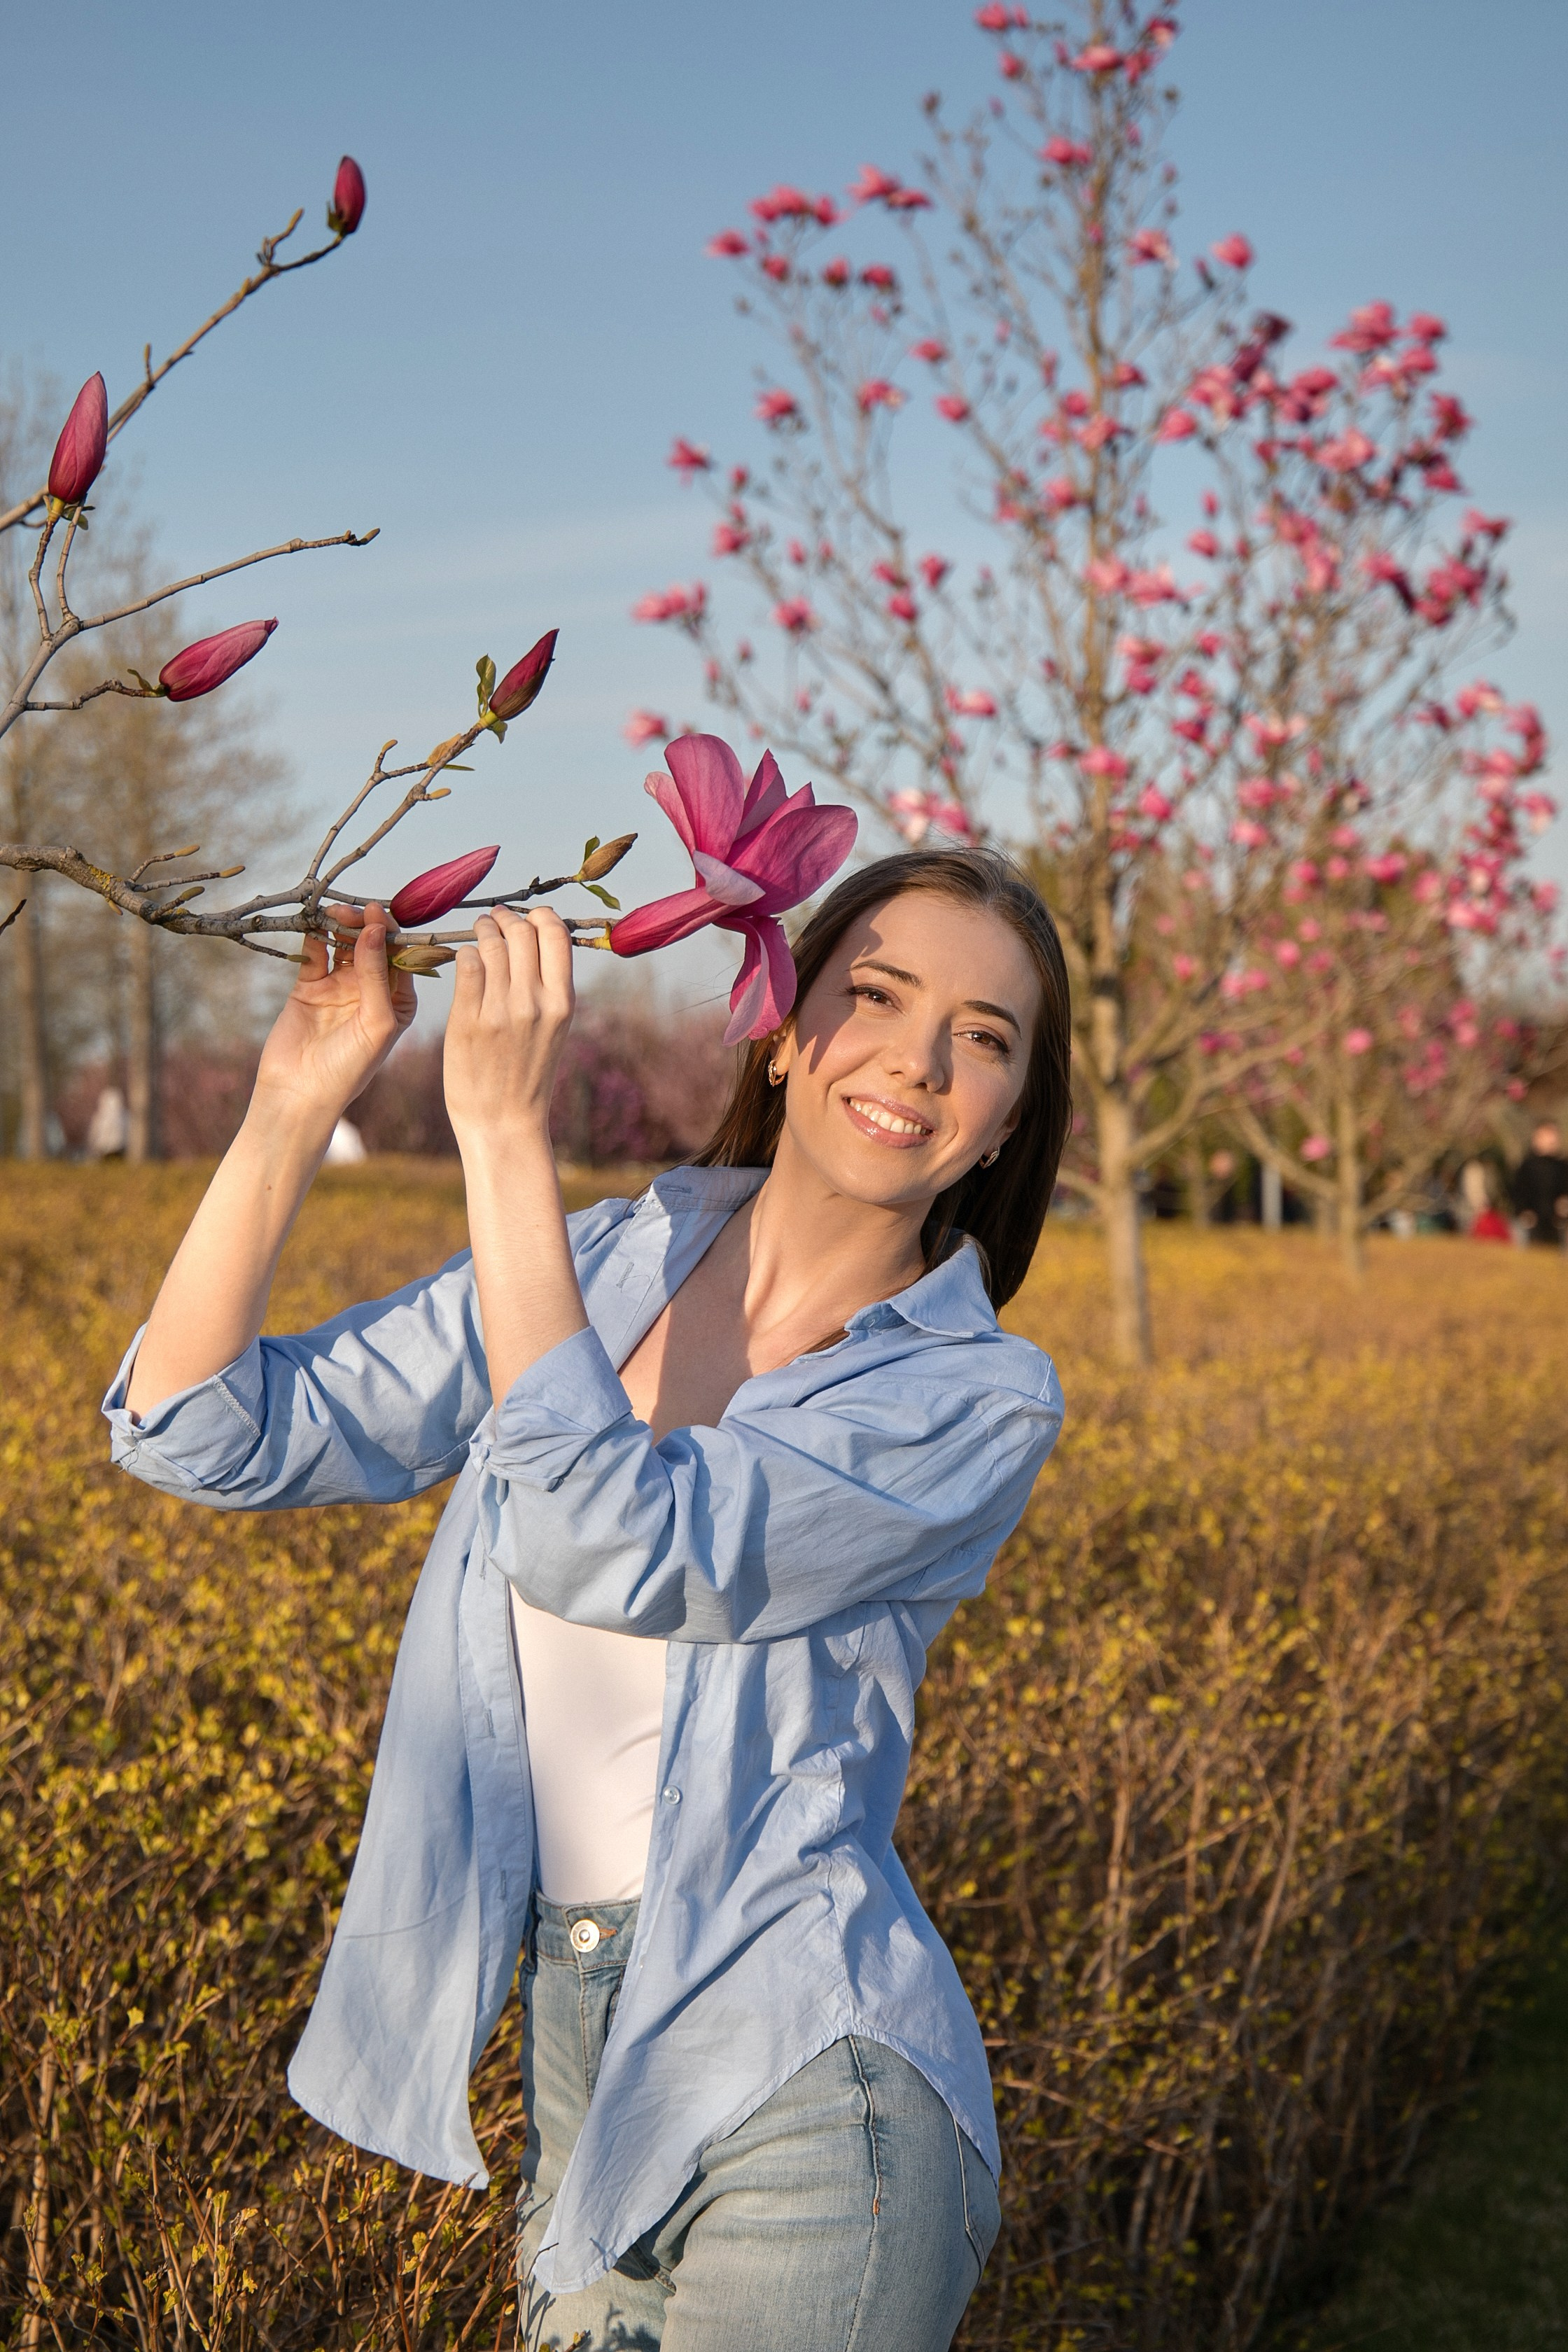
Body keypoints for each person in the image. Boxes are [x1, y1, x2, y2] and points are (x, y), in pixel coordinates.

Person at [102, 844, 1072, 2352]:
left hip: (815, 2081)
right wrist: (300, 1097)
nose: (920, 1058)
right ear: (780, 1016)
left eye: (985, 1037)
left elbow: (618, 1544)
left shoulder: (971, 1400)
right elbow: (198, 1428)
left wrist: (502, 1134)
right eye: (875, 994)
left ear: (1010, 1119)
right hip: (588, 2074)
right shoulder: (608, 1265)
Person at [1511, 1119, 1568, 1247]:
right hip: (1531, 1223)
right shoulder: (1527, 1166)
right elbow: (1518, 1192)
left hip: (1556, 1223)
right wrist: (1524, 1211)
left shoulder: (1562, 1166)